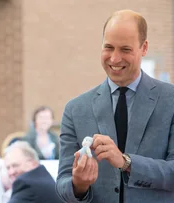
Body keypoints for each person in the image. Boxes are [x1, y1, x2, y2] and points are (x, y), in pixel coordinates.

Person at [56, 9, 174, 203]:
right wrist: (78, 185)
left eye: (125, 49)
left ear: (144, 48)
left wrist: (126, 162)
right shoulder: (76, 110)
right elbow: (62, 184)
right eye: (108, 47)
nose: (114, 58)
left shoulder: (170, 100)